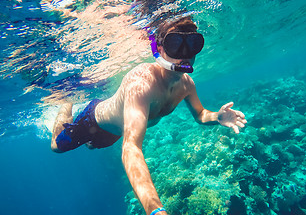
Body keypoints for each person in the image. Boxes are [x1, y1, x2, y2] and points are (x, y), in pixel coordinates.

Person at [50, 17, 247, 215]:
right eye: (175, 44)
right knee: (56, 147)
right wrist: (155, 210)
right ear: (159, 48)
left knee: (92, 146)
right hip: (93, 120)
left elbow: (201, 114)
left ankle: (89, 136)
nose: (184, 56)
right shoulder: (140, 84)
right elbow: (131, 147)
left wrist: (217, 117)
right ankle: (66, 102)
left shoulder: (187, 85)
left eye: (192, 45)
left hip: (115, 132)